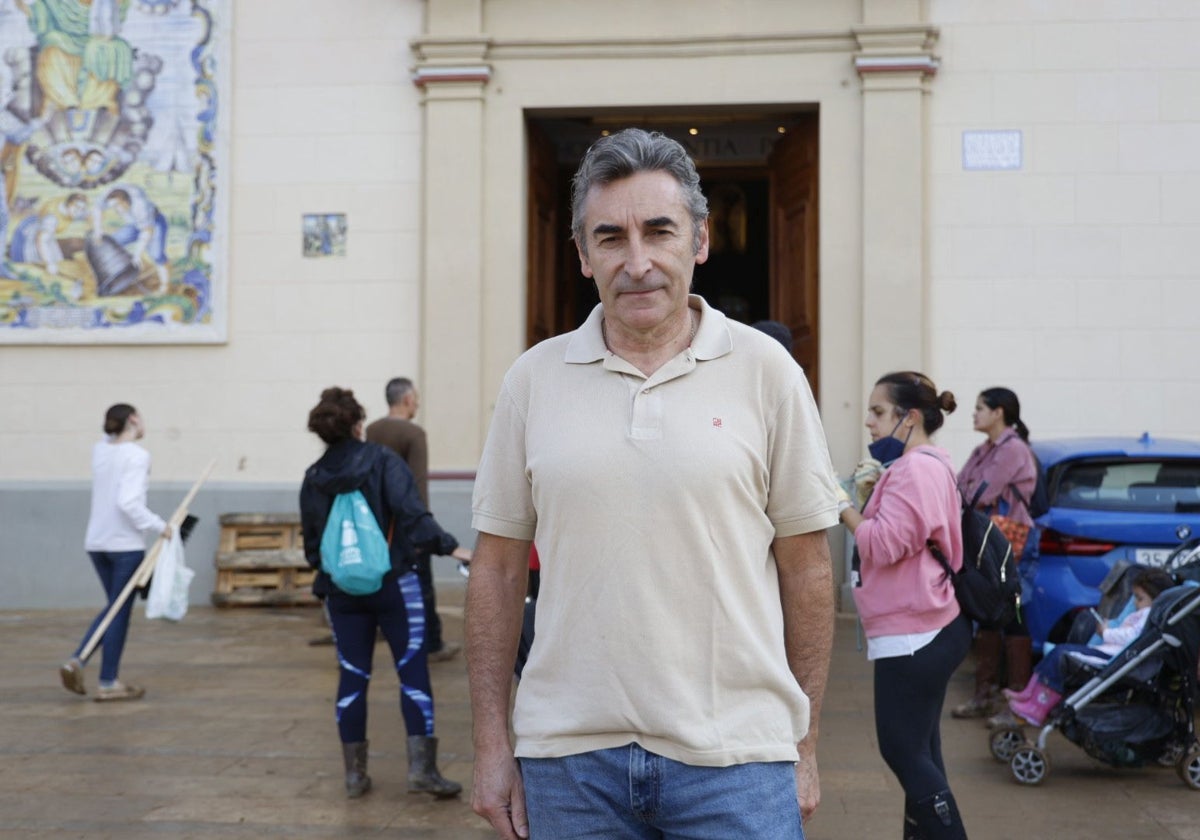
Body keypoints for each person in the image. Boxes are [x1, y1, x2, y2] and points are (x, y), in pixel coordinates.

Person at [466, 127, 839, 840]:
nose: (637, 262)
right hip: (568, 764)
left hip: (739, 761)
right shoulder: (532, 380)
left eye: (659, 232)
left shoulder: (769, 373)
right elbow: (496, 567)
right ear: (581, 255)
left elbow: (808, 567)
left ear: (699, 241)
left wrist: (807, 742)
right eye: (610, 238)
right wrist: (491, 743)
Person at [299, 387, 472, 800]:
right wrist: (451, 547)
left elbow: (312, 546)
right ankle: (423, 771)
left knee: (353, 677)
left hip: (342, 593)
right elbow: (412, 515)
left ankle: (354, 776)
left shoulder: (314, 477)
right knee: (412, 672)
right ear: (359, 424)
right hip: (397, 583)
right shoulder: (383, 461)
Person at [836, 372, 972, 840]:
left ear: (909, 417)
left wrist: (839, 504)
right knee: (921, 752)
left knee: (904, 753)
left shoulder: (916, 469)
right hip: (923, 627)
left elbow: (882, 545)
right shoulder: (923, 466)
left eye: (878, 412)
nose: (870, 423)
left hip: (915, 632)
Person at [59, 403, 172, 702]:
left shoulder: (101, 451)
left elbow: (109, 446)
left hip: (97, 543)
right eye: (142, 417)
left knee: (114, 608)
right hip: (125, 546)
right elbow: (129, 502)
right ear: (133, 419)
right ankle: (92, 670)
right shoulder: (137, 455)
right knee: (117, 612)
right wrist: (161, 526)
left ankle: (97, 672)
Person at [951, 388, 1038, 725]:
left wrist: (963, 493)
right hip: (988, 539)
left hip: (1010, 539)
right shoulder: (983, 449)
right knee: (989, 609)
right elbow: (959, 488)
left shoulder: (1013, 450)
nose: (974, 414)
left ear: (999, 412)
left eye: (980, 408)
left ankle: (1016, 704)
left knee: (1012, 611)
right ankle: (984, 697)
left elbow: (976, 492)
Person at [1004, 567, 1176, 726]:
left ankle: (1037, 708)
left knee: (1060, 655)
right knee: (1058, 652)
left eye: (1139, 598)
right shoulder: (1144, 614)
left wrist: (1106, 633)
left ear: (1156, 599)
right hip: (1109, 652)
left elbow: (1130, 637)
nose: (1135, 603)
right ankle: (1030, 694)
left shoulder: (1148, 615)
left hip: (1111, 657)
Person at [365, 377, 459, 662]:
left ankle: (381, 627)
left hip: (378, 518)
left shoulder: (372, 430)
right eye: (415, 398)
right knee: (423, 582)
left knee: (383, 576)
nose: (417, 403)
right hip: (408, 521)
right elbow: (418, 484)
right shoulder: (414, 434)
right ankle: (432, 643)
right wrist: (424, 527)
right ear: (406, 400)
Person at [92, 185, 170, 289]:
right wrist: (98, 230)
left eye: (117, 206)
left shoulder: (140, 205)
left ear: (125, 201)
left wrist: (137, 255)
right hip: (133, 224)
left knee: (157, 255)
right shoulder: (108, 194)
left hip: (154, 222)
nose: (115, 210)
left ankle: (165, 285)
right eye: (113, 206)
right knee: (111, 243)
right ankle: (117, 272)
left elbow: (147, 231)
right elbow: (97, 208)